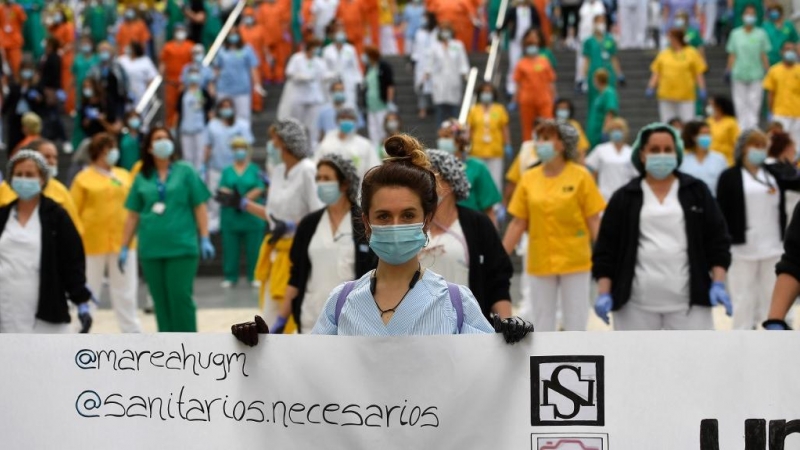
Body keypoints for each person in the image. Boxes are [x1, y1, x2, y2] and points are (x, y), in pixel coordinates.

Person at [231, 135, 533, 343]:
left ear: (427, 220)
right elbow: (308, 380)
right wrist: (261, 352)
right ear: (366, 221)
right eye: (384, 216)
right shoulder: (341, 303)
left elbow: (490, 384)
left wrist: (511, 346)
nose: (395, 225)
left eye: (408, 215)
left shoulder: (457, 304)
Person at [592, 123, 732, 330]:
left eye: (668, 150)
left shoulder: (696, 191)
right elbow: (606, 249)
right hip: (635, 305)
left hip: (690, 304)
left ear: (677, 153)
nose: (662, 155)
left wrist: (718, 283)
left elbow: (717, 240)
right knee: (636, 362)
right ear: (642, 155)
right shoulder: (624, 197)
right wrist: (604, 292)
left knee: (696, 361)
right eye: (655, 150)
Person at [503, 120, 606, 331]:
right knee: (541, 320)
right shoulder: (529, 178)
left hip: (575, 259)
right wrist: (500, 257)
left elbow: (594, 220)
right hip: (541, 259)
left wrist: (606, 256)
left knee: (576, 319)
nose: (539, 144)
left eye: (546, 139)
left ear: (562, 144)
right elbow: (517, 222)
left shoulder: (581, 176)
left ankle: (577, 360)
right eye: (538, 138)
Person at [264, 154, 376, 332]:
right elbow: (296, 275)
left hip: (353, 323)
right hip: (311, 320)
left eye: (327, 178)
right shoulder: (309, 224)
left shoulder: (364, 223)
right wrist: (281, 319)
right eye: (319, 178)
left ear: (345, 183)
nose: (321, 183)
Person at [120, 126, 215, 332]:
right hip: (151, 248)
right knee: (160, 303)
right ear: (149, 147)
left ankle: (188, 347)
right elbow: (133, 215)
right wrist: (124, 246)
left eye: (166, 137)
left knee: (180, 297)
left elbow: (199, 205)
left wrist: (205, 237)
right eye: (157, 138)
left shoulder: (186, 171)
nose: (163, 141)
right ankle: (168, 349)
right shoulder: (142, 176)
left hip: (182, 246)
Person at [236, 119, 324, 325]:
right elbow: (273, 216)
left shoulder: (307, 170)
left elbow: (319, 212)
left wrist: (294, 225)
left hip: (300, 253)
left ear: (286, 143)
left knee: (295, 315)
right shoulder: (276, 172)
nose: (271, 147)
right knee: (269, 314)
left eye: (274, 142)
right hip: (276, 252)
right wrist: (243, 204)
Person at [0, 150, 92, 334]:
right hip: (6, 303)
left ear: (42, 178)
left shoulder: (56, 216)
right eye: (19, 175)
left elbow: (72, 259)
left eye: (30, 175)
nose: (23, 179)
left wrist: (80, 299)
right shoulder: (2, 215)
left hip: (46, 305)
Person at [716, 128, 799, 330]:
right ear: (743, 148)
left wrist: (795, 175)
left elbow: (795, 184)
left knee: (770, 300)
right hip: (742, 248)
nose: (759, 150)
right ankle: (742, 345)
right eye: (755, 145)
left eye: (763, 146)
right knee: (743, 301)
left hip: (772, 246)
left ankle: (774, 341)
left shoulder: (773, 173)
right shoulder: (729, 176)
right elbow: (721, 212)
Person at [424, 149, 514, 320]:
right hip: (418, 328)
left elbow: (498, 277)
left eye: (428, 176)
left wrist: (507, 322)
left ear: (449, 183)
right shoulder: (410, 224)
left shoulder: (477, 224)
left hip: (468, 330)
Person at [70, 133, 141, 333]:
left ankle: (132, 332)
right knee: (89, 287)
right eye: (109, 148)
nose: (114, 152)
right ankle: (81, 328)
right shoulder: (83, 178)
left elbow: (133, 206)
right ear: (99, 151)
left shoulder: (124, 175)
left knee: (126, 291)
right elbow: (73, 211)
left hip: (123, 242)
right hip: (91, 243)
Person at [0, 139, 83, 235]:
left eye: (55, 157)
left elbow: (75, 228)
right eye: (46, 156)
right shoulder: (5, 189)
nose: (52, 161)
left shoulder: (61, 190)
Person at [216, 137, 266, 288]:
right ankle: (231, 277)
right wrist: (233, 198)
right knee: (230, 248)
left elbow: (260, 187)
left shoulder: (254, 169)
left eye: (242, 148)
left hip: (252, 215)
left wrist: (244, 200)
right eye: (236, 148)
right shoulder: (227, 171)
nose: (239, 151)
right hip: (231, 216)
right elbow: (221, 188)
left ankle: (255, 276)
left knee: (254, 248)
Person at [205, 99, 255, 233]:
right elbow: (208, 146)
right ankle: (214, 219)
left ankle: (236, 219)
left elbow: (248, 147)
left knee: (237, 195)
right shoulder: (212, 125)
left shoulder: (242, 125)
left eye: (228, 106)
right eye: (223, 106)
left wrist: (248, 166)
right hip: (216, 166)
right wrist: (205, 164)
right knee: (215, 195)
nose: (226, 109)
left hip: (235, 169)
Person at [437, 119, 501, 221]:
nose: (443, 141)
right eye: (441, 137)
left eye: (447, 137)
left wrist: (492, 235)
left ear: (459, 141)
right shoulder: (434, 169)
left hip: (473, 229)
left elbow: (489, 210)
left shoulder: (478, 168)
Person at [646, 28, 708, 124]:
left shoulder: (691, 52)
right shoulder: (664, 54)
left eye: (671, 38)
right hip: (666, 94)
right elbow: (656, 73)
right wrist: (651, 87)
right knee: (667, 122)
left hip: (686, 94)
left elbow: (698, 73)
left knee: (687, 122)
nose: (670, 40)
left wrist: (702, 88)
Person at [726, 5, 771, 130]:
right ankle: (741, 128)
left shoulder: (761, 34)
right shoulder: (735, 34)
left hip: (756, 73)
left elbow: (763, 54)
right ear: (742, 17)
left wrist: (768, 71)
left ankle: (753, 127)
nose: (749, 17)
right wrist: (728, 70)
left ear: (756, 17)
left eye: (752, 14)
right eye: (747, 14)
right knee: (740, 103)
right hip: (739, 72)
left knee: (754, 102)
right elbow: (732, 54)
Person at [466, 83, 512, 193]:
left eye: (489, 92)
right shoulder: (474, 110)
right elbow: (470, 129)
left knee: (495, 178)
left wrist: (508, 144)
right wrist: (467, 144)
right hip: (477, 150)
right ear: (480, 94)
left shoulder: (499, 109)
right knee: (478, 178)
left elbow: (504, 128)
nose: (486, 94)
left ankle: (495, 205)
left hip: (495, 149)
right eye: (484, 92)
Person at [513, 28, 556, 144]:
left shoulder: (544, 61)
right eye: (529, 45)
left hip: (544, 98)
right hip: (527, 99)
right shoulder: (521, 63)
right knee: (527, 128)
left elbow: (551, 81)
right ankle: (528, 148)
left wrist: (554, 97)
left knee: (548, 124)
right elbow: (517, 83)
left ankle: (548, 145)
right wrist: (515, 99)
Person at [213, 29, 262, 128]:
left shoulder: (247, 49)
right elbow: (216, 69)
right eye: (230, 34)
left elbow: (253, 68)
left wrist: (257, 84)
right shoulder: (222, 50)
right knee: (222, 116)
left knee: (243, 116)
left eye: (235, 34)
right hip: (224, 88)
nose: (233, 36)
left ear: (239, 35)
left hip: (242, 89)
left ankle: (243, 139)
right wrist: (213, 85)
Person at [282, 37, 328, 142]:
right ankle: (297, 144)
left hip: (314, 97)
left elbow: (324, 75)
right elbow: (289, 73)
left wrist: (331, 76)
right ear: (310, 48)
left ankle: (313, 146)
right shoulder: (297, 58)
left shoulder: (319, 61)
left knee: (314, 125)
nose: (317, 50)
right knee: (297, 123)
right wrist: (300, 77)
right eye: (315, 48)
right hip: (299, 95)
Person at [316, 107, 381, 179]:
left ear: (355, 121)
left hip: (359, 188)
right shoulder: (327, 143)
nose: (346, 120)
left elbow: (374, 169)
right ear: (337, 120)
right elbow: (316, 165)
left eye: (350, 118)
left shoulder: (365, 145)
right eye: (343, 117)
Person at [426, 24, 468, 129]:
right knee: (440, 109)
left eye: (447, 30)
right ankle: (440, 134)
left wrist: (464, 73)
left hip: (453, 80)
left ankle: (455, 133)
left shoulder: (457, 45)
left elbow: (462, 61)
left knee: (454, 109)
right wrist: (427, 72)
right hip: (439, 81)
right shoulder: (434, 46)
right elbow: (429, 63)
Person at [585, 117, 638, 202]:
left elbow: (635, 177)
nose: (617, 132)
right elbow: (592, 174)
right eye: (613, 129)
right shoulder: (600, 150)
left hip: (626, 197)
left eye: (619, 129)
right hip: (604, 198)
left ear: (625, 131)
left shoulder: (631, 152)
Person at [579, 14, 624, 113]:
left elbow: (613, 59)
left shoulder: (609, 40)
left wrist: (618, 74)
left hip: (608, 74)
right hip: (594, 75)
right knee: (594, 101)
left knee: (610, 100)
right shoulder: (589, 41)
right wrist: (583, 77)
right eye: (599, 22)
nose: (601, 24)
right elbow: (586, 60)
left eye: (603, 22)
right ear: (594, 24)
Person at [177, 68, 214, 171]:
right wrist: (174, 126)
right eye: (191, 74)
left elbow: (209, 110)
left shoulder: (203, 92)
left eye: (196, 74)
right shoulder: (183, 93)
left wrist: (212, 127)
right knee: (187, 156)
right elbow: (178, 111)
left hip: (200, 129)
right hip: (185, 129)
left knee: (200, 156)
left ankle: (200, 179)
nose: (193, 77)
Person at [764, 41, 800, 148]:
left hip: (798, 113)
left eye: (792, 50)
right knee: (779, 143)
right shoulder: (774, 70)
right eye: (787, 49)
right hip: (780, 112)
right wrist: (770, 111)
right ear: (782, 52)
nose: (790, 52)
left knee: (797, 143)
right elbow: (770, 93)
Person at [501, 0, 541, 96]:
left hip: (529, 42)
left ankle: (531, 87)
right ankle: (511, 88)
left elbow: (537, 23)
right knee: (514, 64)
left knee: (532, 64)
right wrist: (499, 30)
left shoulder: (532, 9)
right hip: (515, 40)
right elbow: (506, 21)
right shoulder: (514, 9)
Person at [2, 61, 44, 152]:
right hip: (16, 118)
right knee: (14, 142)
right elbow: (9, 101)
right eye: (25, 69)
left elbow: (42, 103)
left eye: (29, 69)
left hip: (30, 118)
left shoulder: (36, 86)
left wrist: (39, 99)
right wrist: (3, 112)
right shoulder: (15, 85)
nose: (26, 72)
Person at [159, 23, 195, 129]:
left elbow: (193, 64)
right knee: (171, 106)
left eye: (182, 30)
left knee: (189, 105)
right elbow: (163, 63)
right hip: (171, 82)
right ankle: (171, 128)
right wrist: (160, 76)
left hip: (187, 83)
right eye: (178, 30)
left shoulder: (190, 46)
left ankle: (188, 126)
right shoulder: (168, 46)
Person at [679, 120, 728, 196]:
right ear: (694, 137)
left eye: (708, 134)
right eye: (703, 134)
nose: (707, 137)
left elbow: (725, 184)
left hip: (715, 202)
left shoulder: (719, 159)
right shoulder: (684, 160)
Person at [87, 42, 129, 129]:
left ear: (111, 53)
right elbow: (89, 83)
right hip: (100, 102)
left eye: (106, 51)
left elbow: (124, 83)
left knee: (116, 125)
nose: (103, 53)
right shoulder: (94, 68)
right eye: (101, 51)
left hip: (116, 101)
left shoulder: (118, 67)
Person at [322, 23, 363, 110]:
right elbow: (324, 68)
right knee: (332, 105)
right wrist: (331, 75)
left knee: (349, 104)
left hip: (348, 81)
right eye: (337, 32)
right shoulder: (327, 50)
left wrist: (359, 80)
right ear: (333, 35)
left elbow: (355, 66)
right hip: (332, 81)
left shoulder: (350, 49)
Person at [37, 37, 67, 146]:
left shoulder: (54, 58)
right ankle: (50, 137)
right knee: (49, 115)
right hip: (47, 89)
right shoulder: (46, 57)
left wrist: (49, 90)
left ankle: (63, 138)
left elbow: (53, 76)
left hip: (51, 89)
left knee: (54, 115)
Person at [71, 36, 98, 150]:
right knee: (79, 118)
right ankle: (76, 145)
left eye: (88, 43)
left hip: (94, 92)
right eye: (83, 43)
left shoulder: (97, 59)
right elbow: (73, 76)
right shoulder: (77, 59)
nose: (85, 45)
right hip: (80, 93)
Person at [47, 6, 75, 115]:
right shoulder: (55, 27)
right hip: (56, 59)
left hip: (65, 58)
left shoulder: (68, 27)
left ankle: (69, 107)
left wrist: (62, 51)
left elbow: (71, 43)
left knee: (67, 82)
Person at [258, 0, 292, 83]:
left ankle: (279, 76)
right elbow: (260, 23)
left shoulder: (280, 7)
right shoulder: (262, 8)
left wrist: (284, 33)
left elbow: (285, 21)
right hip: (266, 38)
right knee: (266, 58)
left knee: (280, 58)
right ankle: (268, 76)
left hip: (279, 38)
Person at [118, 42, 158, 108]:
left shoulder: (145, 61)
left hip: (141, 92)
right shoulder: (122, 60)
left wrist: (149, 93)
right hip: (125, 93)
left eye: (130, 48)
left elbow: (152, 78)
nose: (127, 49)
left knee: (140, 113)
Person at [411, 12, 435, 119]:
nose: (423, 20)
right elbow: (416, 48)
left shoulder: (436, 32)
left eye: (425, 18)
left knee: (433, 87)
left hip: (434, 64)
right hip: (421, 64)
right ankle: (422, 109)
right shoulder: (419, 33)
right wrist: (413, 61)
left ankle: (432, 108)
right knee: (421, 87)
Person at [586, 69, 618, 148]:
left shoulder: (609, 93)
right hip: (594, 133)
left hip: (600, 132)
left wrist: (605, 131)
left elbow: (610, 112)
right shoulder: (599, 94)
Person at [706, 95, 740, 166]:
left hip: (727, 161)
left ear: (719, 107)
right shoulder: (708, 121)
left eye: (711, 105)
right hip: (709, 160)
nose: (709, 107)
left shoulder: (731, 122)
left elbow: (737, 142)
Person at [0, 0, 26, 79]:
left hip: (15, 42)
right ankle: (5, 87)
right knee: (4, 68)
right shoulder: (1, 9)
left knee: (16, 66)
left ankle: (17, 85)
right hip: (3, 42)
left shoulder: (17, 8)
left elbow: (23, 21)